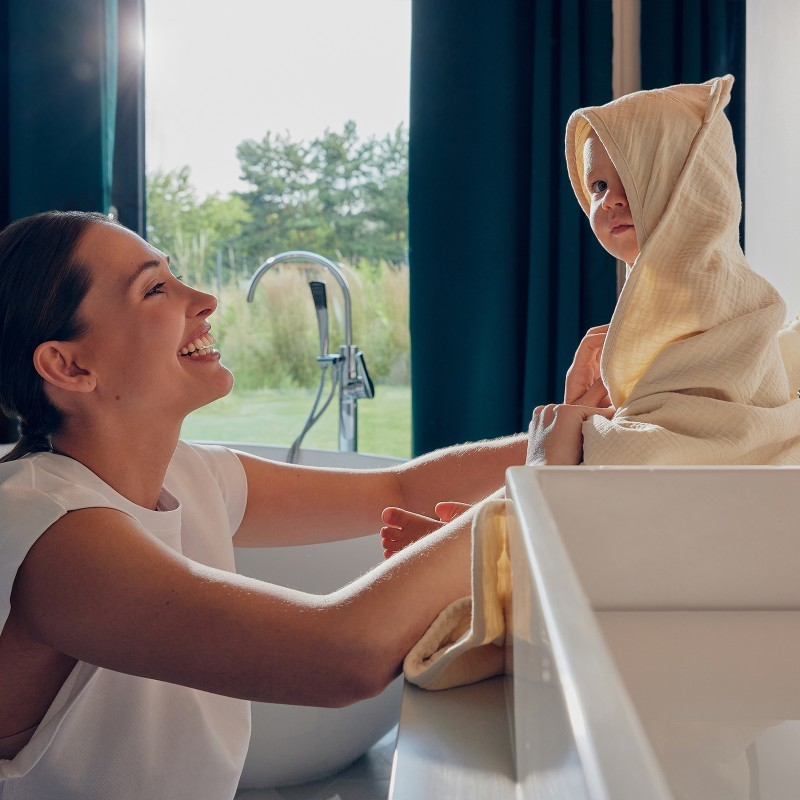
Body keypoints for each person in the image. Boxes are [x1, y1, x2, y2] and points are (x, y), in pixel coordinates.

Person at [0, 209, 531, 799]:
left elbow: (397, 490)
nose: (205, 300)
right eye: (154, 289)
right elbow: (341, 654)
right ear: (69, 365)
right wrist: (519, 520)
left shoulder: (191, 475)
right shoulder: (50, 530)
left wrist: (575, 430)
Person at [382, 74, 800, 555]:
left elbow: (698, 423)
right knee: (570, 431)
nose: (611, 200)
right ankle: (482, 528)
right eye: (598, 185)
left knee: (591, 442)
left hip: (724, 464)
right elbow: (655, 406)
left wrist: (588, 427)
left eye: (635, 178)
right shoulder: (647, 297)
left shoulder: (716, 288)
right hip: (674, 455)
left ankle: (479, 536)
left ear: (691, 186)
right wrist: (591, 414)